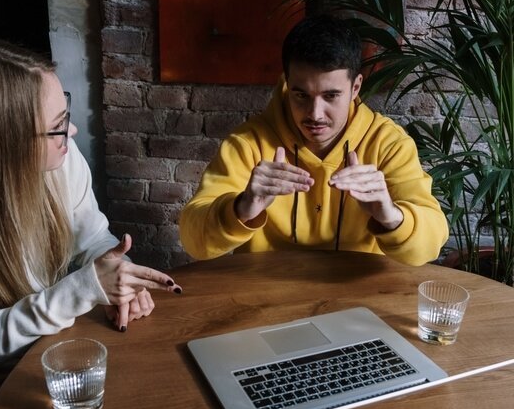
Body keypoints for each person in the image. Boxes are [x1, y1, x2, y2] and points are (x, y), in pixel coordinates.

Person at [0, 39, 182, 409]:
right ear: (4, 143)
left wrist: (118, 275)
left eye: (65, 113)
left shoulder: (61, 161)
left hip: (58, 345)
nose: (71, 133)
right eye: (57, 126)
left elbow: (89, 236)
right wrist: (87, 287)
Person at [180, 15, 448, 266]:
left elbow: (431, 243)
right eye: (301, 95)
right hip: (266, 299)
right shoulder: (248, 143)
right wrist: (240, 208)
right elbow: (194, 243)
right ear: (287, 82)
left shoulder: (389, 144)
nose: (315, 114)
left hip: (359, 297)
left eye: (331, 96)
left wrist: (390, 215)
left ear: (355, 87)